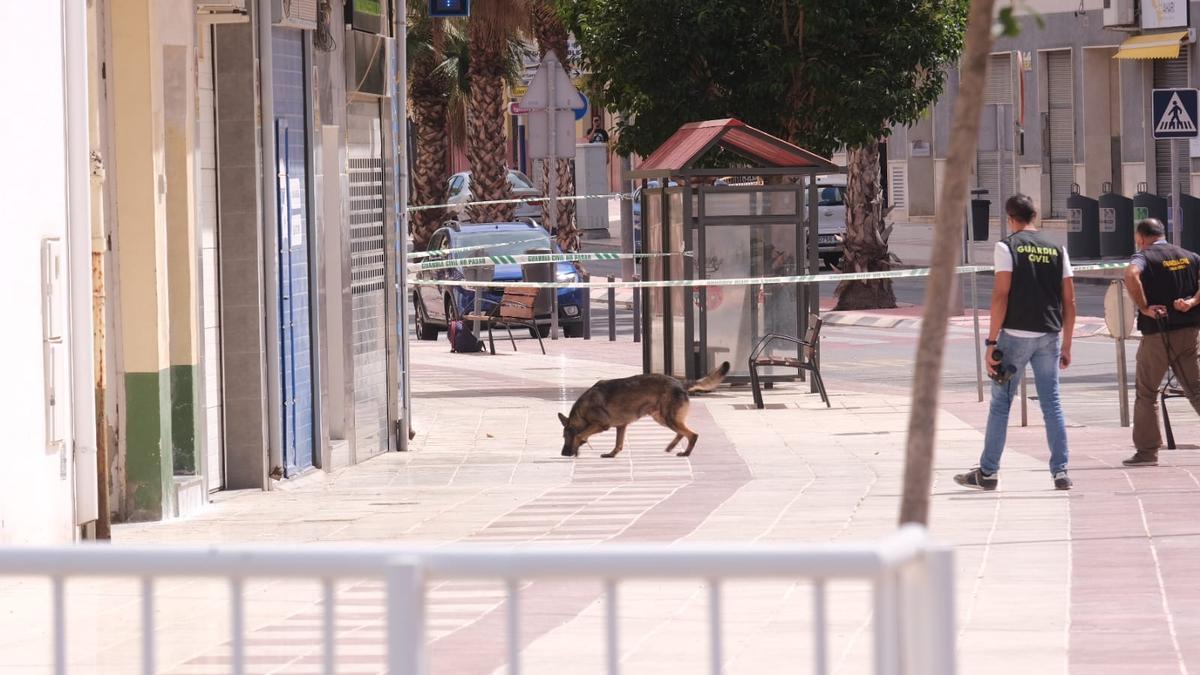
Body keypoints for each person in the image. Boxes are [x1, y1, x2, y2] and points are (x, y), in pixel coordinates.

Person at [955, 194, 1076, 491]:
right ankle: (1061, 472)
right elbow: (1069, 300)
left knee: (1001, 405)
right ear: (1034, 215)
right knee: (1052, 404)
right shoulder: (1057, 248)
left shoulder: (1006, 247)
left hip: (1014, 336)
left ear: (1010, 218)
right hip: (1049, 335)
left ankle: (988, 472)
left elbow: (1000, 295)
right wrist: (1067, 344)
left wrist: (991, 341)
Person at [1122, 218, 1200, 466]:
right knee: (1196, 390)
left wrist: (1144, 307)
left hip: (1157, 334)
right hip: (1189, 333)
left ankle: (1147, 452)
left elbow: (1131, 274)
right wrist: (1192, 302)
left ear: (1141, 237)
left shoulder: (1143, 256)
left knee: (1147, 393)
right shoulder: (1188, 255)